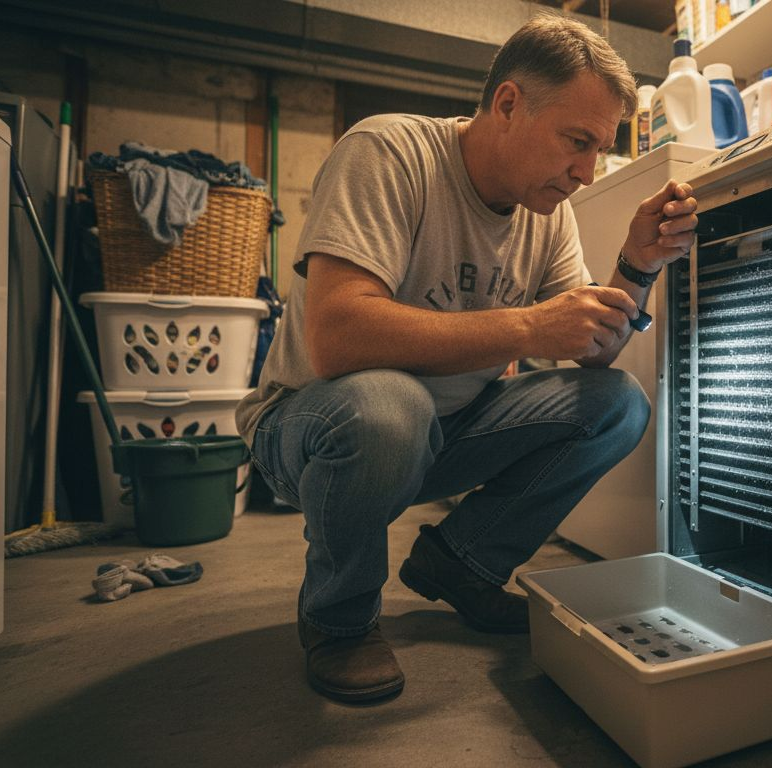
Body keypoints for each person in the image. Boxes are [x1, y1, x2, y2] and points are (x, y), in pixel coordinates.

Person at [235, 15, 699, 703]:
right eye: (577, 142)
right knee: (392, 405)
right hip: (313, 428)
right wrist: (528, 326)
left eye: (598, 150)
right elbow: (337, 336)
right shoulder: (389, 152)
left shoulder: (549, 213)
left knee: (617, 404)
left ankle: (463, 565)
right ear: (508, 104)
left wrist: (637, 264)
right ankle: (339, 617)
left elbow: (595, 352)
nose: (586, 172)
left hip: (443, 433)